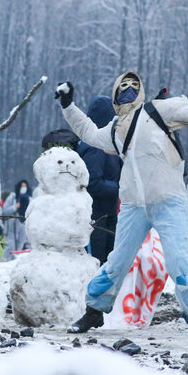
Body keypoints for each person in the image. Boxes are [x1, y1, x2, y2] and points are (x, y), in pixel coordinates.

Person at [55, 71, 188, 336]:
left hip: (170, 201)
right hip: (134, 206)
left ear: (141, 90)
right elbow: (88, 132)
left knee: (178, 258)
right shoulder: (115, 129)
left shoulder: (159, 110)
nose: (128, 90)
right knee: (117, 261)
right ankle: (94, 312)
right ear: (115, 94)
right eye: (123, 87)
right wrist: (68, 106)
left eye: (134, 86)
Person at [76, 96, 121, 265]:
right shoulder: (95, 147)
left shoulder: (106, 144)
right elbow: (92, 183)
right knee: (96, 263)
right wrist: (119, 188)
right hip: (95, 218)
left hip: (107, 215)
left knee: (108, 262)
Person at [2, 180, 32, 259]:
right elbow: (5, 211)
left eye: (25, 186)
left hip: (23, 225)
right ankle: (6, 261)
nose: (23, 188)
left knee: (20, 245)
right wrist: (15, 207)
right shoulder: (12, 197)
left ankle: (15, 262)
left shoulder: (29, 199)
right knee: (10, 245)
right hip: (12, 223)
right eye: (22, 186)